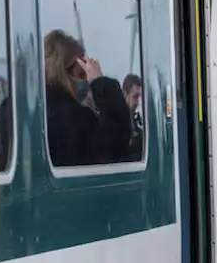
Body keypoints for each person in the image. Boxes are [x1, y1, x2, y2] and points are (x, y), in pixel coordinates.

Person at [42, 29, 134, 166]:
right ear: (65, 73)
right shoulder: (74, 119)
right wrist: (100, 83)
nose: (84, 81)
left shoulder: (19, 114)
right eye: (81, 75)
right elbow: (117, 142)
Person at [122, 73, 145, 159]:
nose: (137, 103)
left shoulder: (136, 123)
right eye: (134, 97)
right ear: (125, 94)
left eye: (138, 97)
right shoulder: (117, 123)